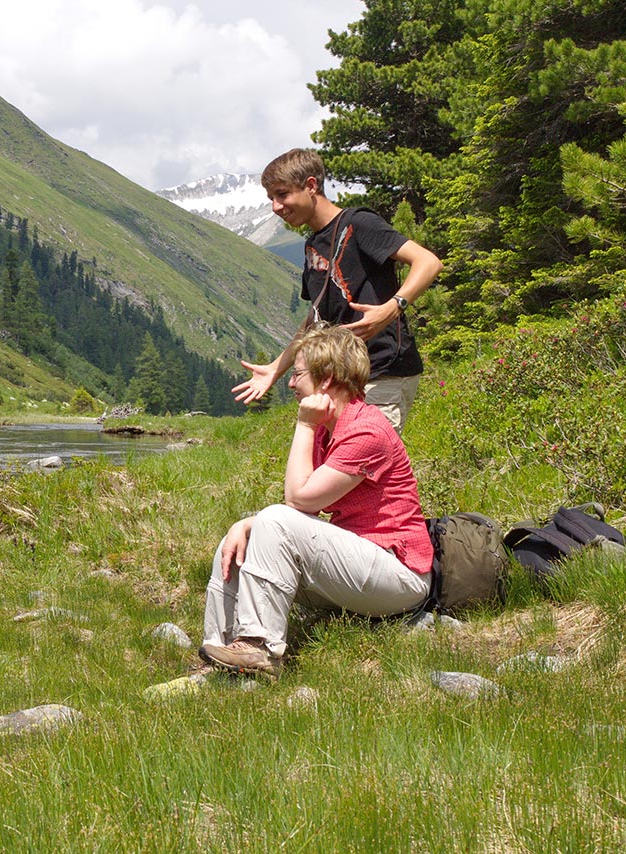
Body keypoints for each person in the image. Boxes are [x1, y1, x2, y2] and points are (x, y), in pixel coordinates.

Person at [199, 324, 433, 677]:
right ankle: (220, 652)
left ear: (326, 379)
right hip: (359, 563)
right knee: (238, 542)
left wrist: (305, 425)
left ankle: (260, 649)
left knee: (275, 520)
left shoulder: (366, 430)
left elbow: (298, 500)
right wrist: (245, 525)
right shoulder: (333, 427)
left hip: (399, 576)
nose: (291, 384)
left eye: (297, 374)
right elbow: (300, 503)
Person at [233, 149, 443, 434]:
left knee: (363, 468)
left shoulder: (359, 224)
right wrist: (275, 368)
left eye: (282, 194)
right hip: (343, 376)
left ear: (310, 185)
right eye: (271, 198)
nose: (275, 206)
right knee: (338, 468)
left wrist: (392, 307)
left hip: (381, 371)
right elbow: (314, 319)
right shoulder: (313, 245)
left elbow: (428, 262)